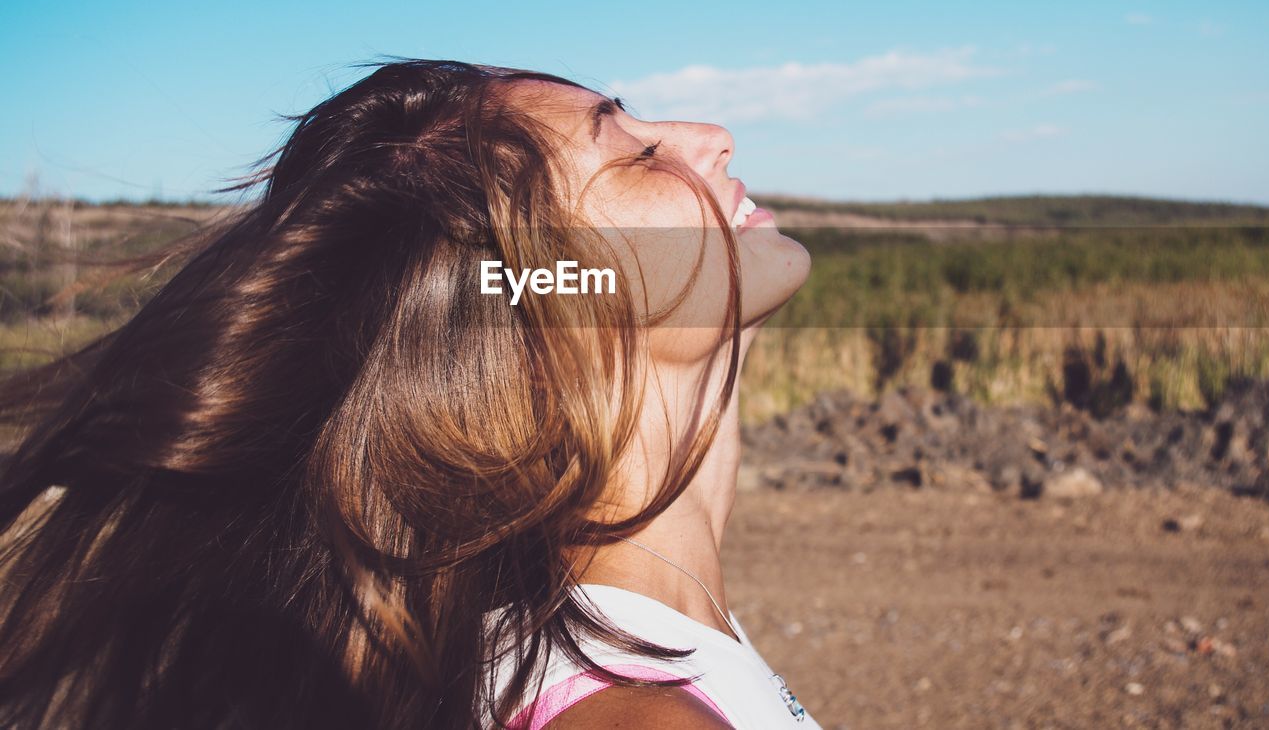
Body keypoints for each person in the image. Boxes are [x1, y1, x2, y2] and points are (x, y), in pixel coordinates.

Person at [0, 59, 819, 729]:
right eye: (637, 153)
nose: (712, 137)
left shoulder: (594, 635)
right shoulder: (637, 718)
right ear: (552, 311)